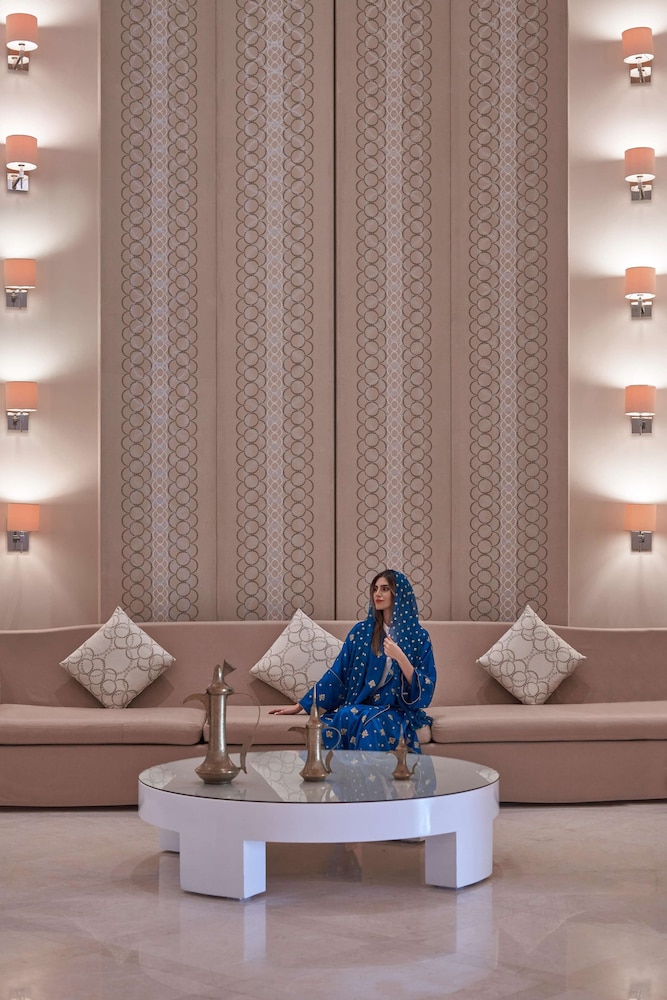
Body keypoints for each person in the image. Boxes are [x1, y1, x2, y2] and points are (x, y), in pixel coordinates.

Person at [270, 569, 436, 752]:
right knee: (346, 714)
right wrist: (301, 705)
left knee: (370, 722)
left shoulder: (418, 637)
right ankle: (349, 770)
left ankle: (368, 771)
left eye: (385, 589)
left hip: (396, 709)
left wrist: (401, 658)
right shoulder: (361, 633)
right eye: (375, 589)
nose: (377, 594)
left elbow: (427, 685)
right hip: (362, 704)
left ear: (399, 594)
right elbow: (338, 674)